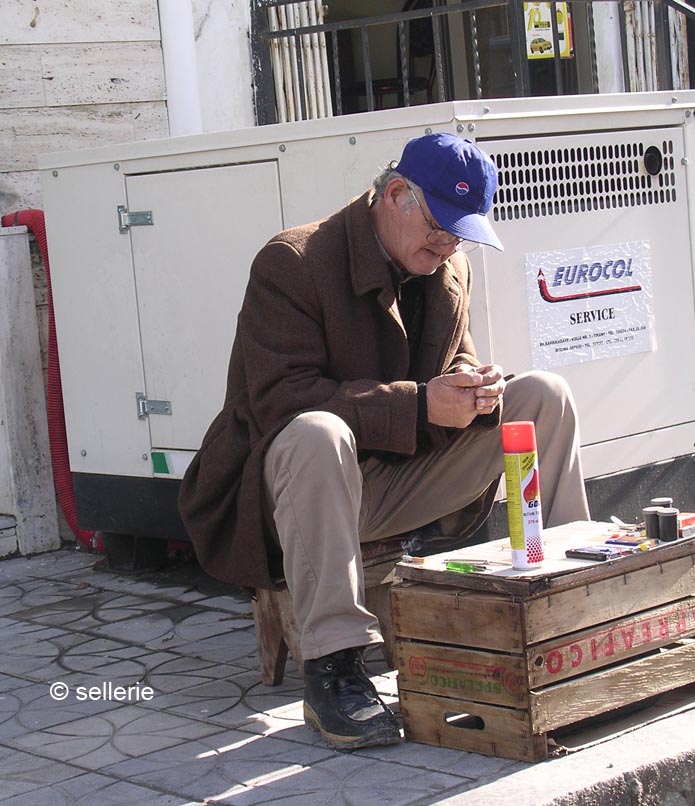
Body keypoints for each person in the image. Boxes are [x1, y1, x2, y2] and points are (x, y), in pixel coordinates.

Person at [179, 132, 590, 751]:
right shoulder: (291, 262)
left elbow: (455, 365)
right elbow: (281, 401)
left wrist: (473, 391)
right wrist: (423, 403)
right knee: (318, 433)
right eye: (438, 226)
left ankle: (570, 602)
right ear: (395, 193)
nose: (448, 243)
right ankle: (336, 668)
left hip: (396, 478)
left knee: (542, 396)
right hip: (291, 490)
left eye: (460, 232)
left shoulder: (448, 266)